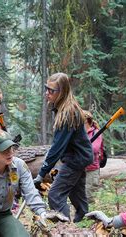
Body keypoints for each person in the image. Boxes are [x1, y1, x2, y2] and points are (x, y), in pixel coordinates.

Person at [33, 72, 93, 223]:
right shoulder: (64, 108)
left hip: (75, 160)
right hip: (79, 157)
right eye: (47, 89)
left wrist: (42, 174)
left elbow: (58, 147)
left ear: (62, 92)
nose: (47, 93)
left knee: (55, 195)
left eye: (51, 91)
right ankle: (84, 222)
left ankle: (65, 227)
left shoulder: (67, 113)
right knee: (76, 194)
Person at [83, 110, 103, 204]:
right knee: (79, 195)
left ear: (86, 120)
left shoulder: (96, 133)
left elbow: (94, 149)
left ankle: (90, 216)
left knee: (89, 195)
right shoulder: (79, 133)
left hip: (92, 169)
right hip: (80, 168)